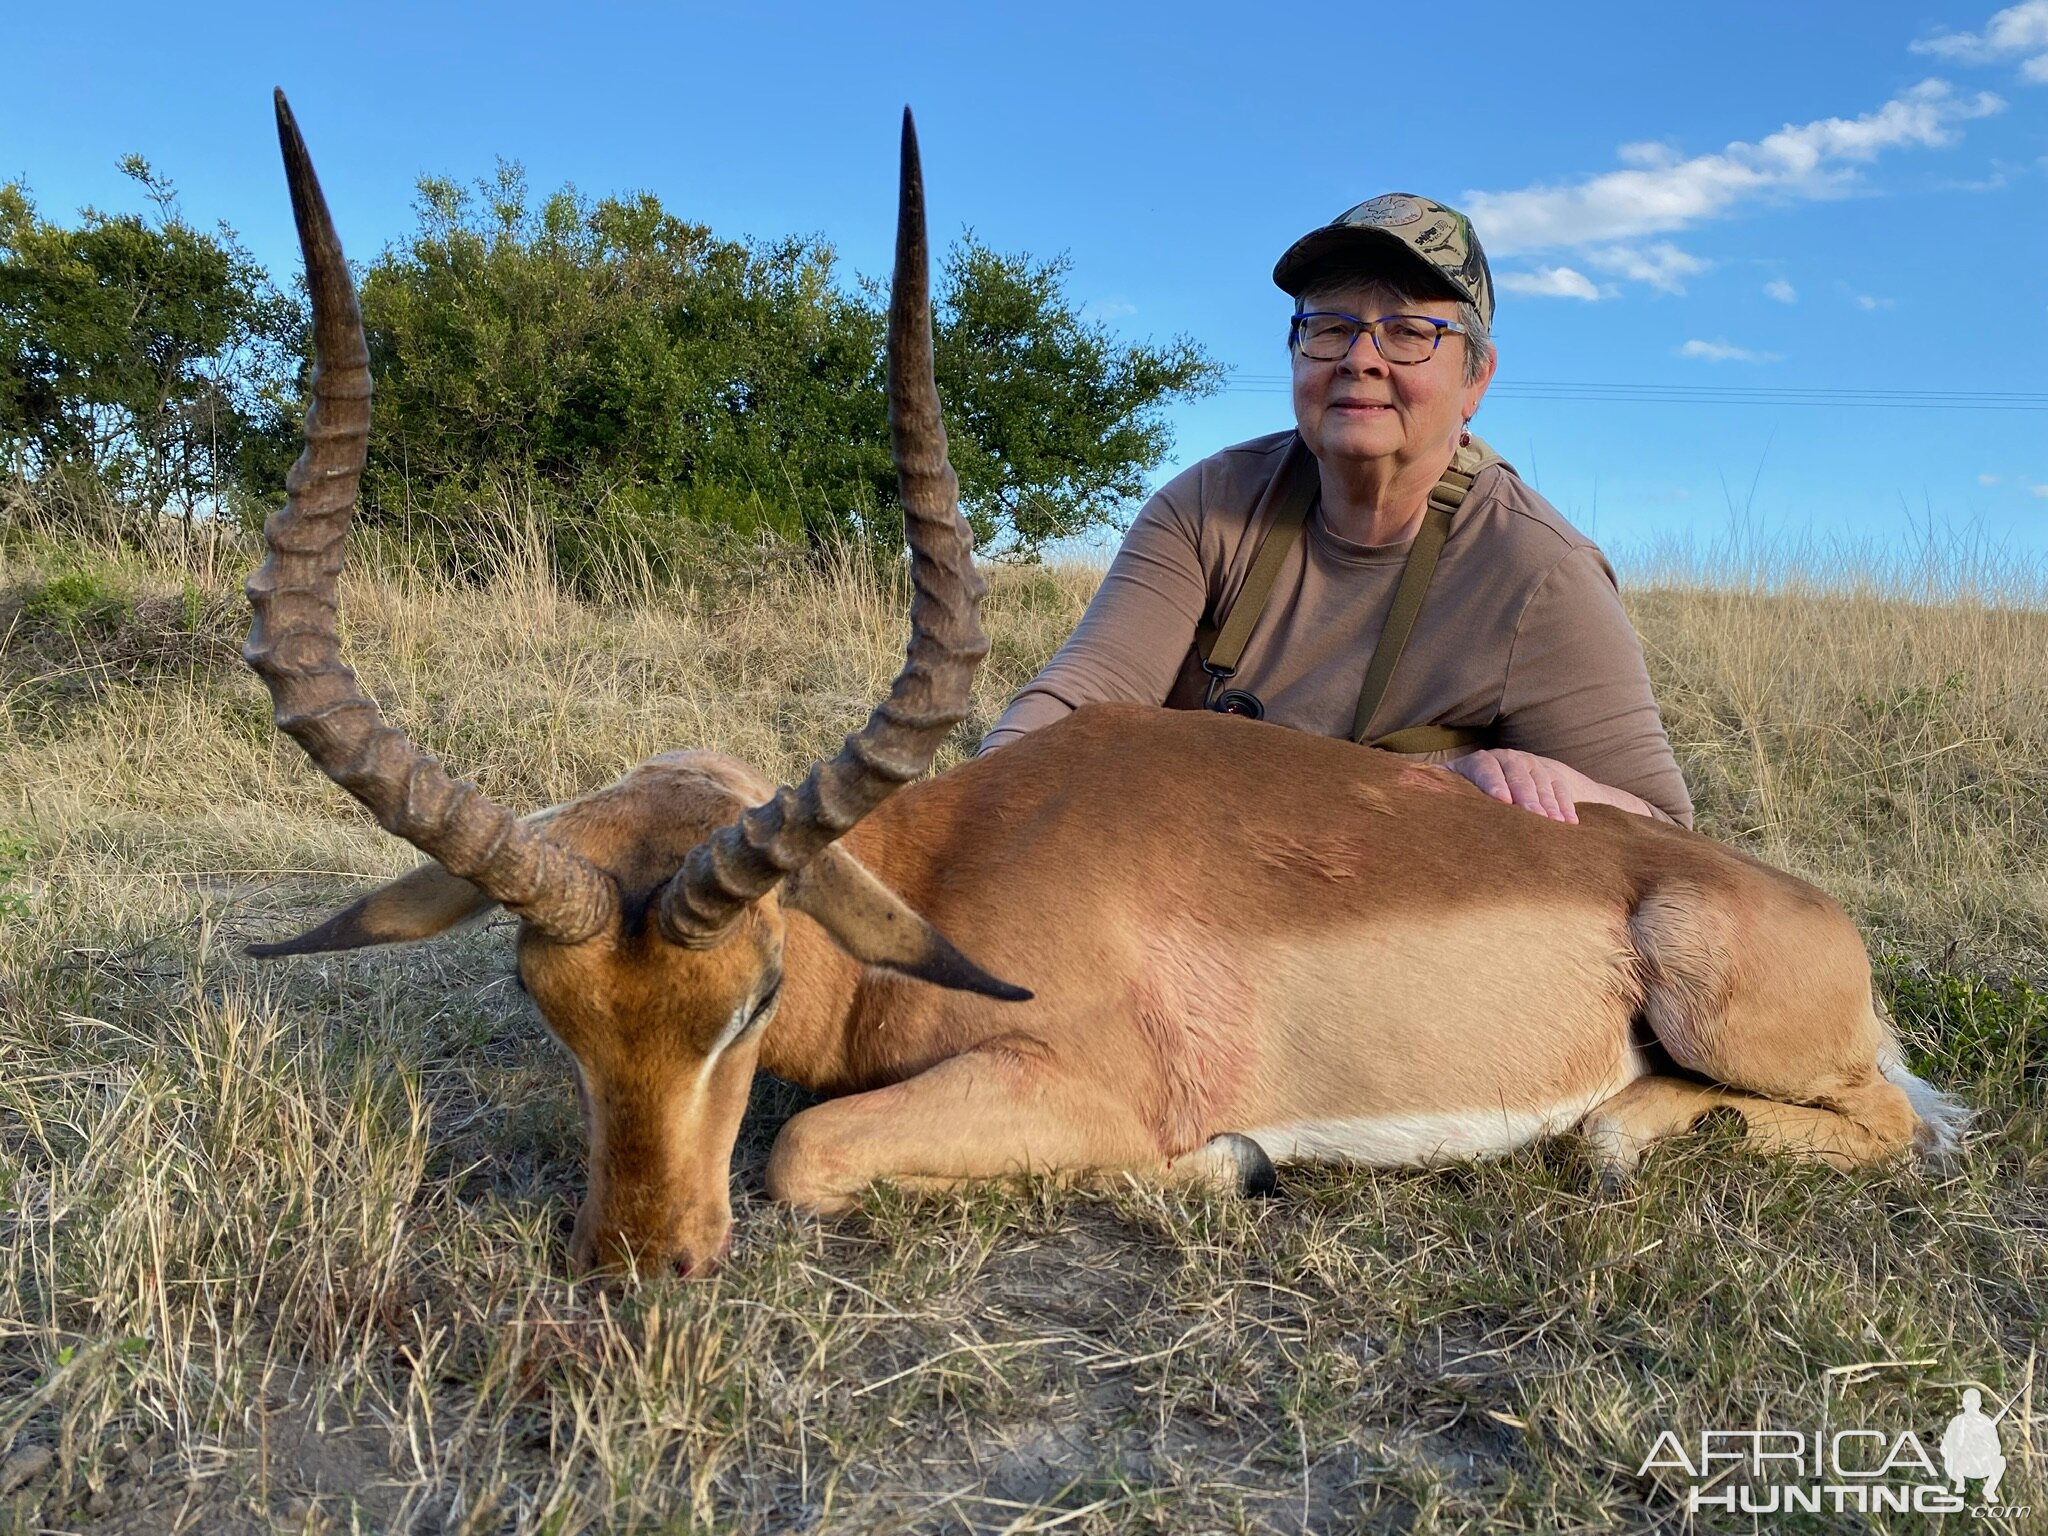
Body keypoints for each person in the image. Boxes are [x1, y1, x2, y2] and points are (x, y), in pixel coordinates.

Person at [978, 193, 1693, 828]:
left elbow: (1662, 824)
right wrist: (975, 810)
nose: (1360, 359)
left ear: (1476, 378)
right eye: (1328, 327)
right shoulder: (1204, 506)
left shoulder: (1541, 572)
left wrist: (1563, 789)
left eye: (1410, 332)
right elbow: (1077, 705)